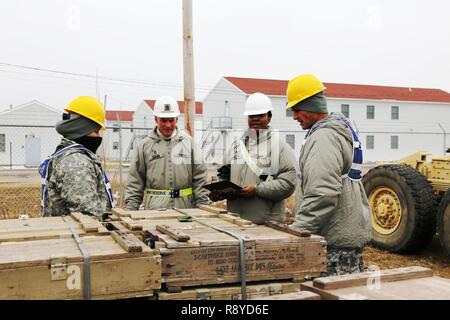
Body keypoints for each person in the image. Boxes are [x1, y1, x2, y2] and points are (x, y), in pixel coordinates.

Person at [286, 74, 371, 276]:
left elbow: (322, 193)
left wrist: (297, 231)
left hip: (333, 245)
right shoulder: (341, 129)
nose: (295, 117)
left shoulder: (324, 137)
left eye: (297, 110)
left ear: (312, 106)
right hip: (344, 239)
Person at [210, 92, 297, 224]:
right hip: (235, 222)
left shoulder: (280, 147)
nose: (255, 119)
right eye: (251, 116)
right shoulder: (237, 146)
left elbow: (289, 184)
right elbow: (224, 175)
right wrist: (220, 192)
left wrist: (257, 190)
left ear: (269, 117)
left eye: (260, 115)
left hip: (266, 224)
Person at [125, 96, 209, 210]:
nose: (168, 125)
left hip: (186, 210)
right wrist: (130, 211)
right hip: (154, 210)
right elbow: (135, 182)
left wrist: (203, 208)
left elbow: (200, 178)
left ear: (177, 119)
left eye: (171, 120)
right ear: (156, 119)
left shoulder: (190, 144)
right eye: (163, 120)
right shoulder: (144, 146)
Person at [39, 96, 114, 219]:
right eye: (96, 132)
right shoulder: (77, 164)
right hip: (79, 236)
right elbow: (88, 218)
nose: (99, 136)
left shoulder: (67, 154)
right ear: (81, 129)